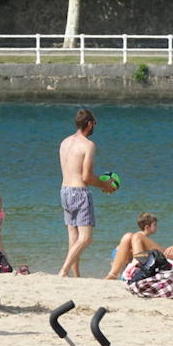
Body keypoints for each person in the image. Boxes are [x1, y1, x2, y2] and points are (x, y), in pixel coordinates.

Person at [57, 108, 117, 277]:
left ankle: (76, 275)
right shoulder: (88, 145)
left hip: (64, 191)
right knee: (86, 238)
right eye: (94, 123)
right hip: (79, 192)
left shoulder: (65, 142)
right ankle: (63, 270)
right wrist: (105, 185)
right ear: (90, 123)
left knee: (73, 237)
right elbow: (87, 177)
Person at [104, 212, 171, 280]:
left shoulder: (138, 236)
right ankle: (114, 274)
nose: (157, 227)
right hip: (121, 255)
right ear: (147, 227)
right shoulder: (140, 237)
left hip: (117, 253)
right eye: (155, 225)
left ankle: (114, 273)